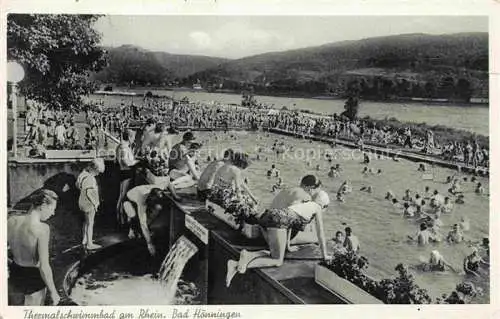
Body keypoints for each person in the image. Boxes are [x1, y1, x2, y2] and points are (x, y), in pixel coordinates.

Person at [225, 189, 331, 287]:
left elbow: (290, 224)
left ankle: (248, 254)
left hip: (271, 215)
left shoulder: (304, 204)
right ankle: (236, 265)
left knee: (272, 252)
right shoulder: (317, 207)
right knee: (277, 261)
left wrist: (288, 246)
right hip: (279, 221)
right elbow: (320, 233)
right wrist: (324, 255)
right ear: (324, 205)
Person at [7, 189, 61, 305]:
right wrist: (54, 292)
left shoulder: (11, 221)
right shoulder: (42, 229)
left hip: (14, 274)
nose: (53, 213)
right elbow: (44, 266)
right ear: (43, 206)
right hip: (33, 279)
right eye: (52, 209)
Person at [122, 185, 179, 256]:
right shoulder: (142, 200)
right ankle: (132, 229)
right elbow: (143, 224)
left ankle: (144, 233)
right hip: (129, 200)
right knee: (133, 215)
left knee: (158, 208)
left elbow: (170, 184)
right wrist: (149, 244)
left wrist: (175, 196)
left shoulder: (160, 187)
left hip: (143, 197)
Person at [76, 158, 105, 250]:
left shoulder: (83, 174)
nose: (98, 174)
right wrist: (95, 203)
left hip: (82, 200)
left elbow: (77, 185)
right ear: (94, 169)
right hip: (89, 203)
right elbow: (89, 193)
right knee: (90, 223)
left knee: (86, 221)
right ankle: (89, 244)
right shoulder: (90, 178)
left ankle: (84, 239)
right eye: (98, 172)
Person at [116, 131, 139, 225]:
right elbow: (126, 162)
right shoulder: (124, 148)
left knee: (121, 195)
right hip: (127, 172)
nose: (134, 139)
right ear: (129, 137)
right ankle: (120, 217)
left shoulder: (120, 146)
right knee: (123, 196)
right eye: (133, 137)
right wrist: (136, 162)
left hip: (122, 172)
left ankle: (119, 216)